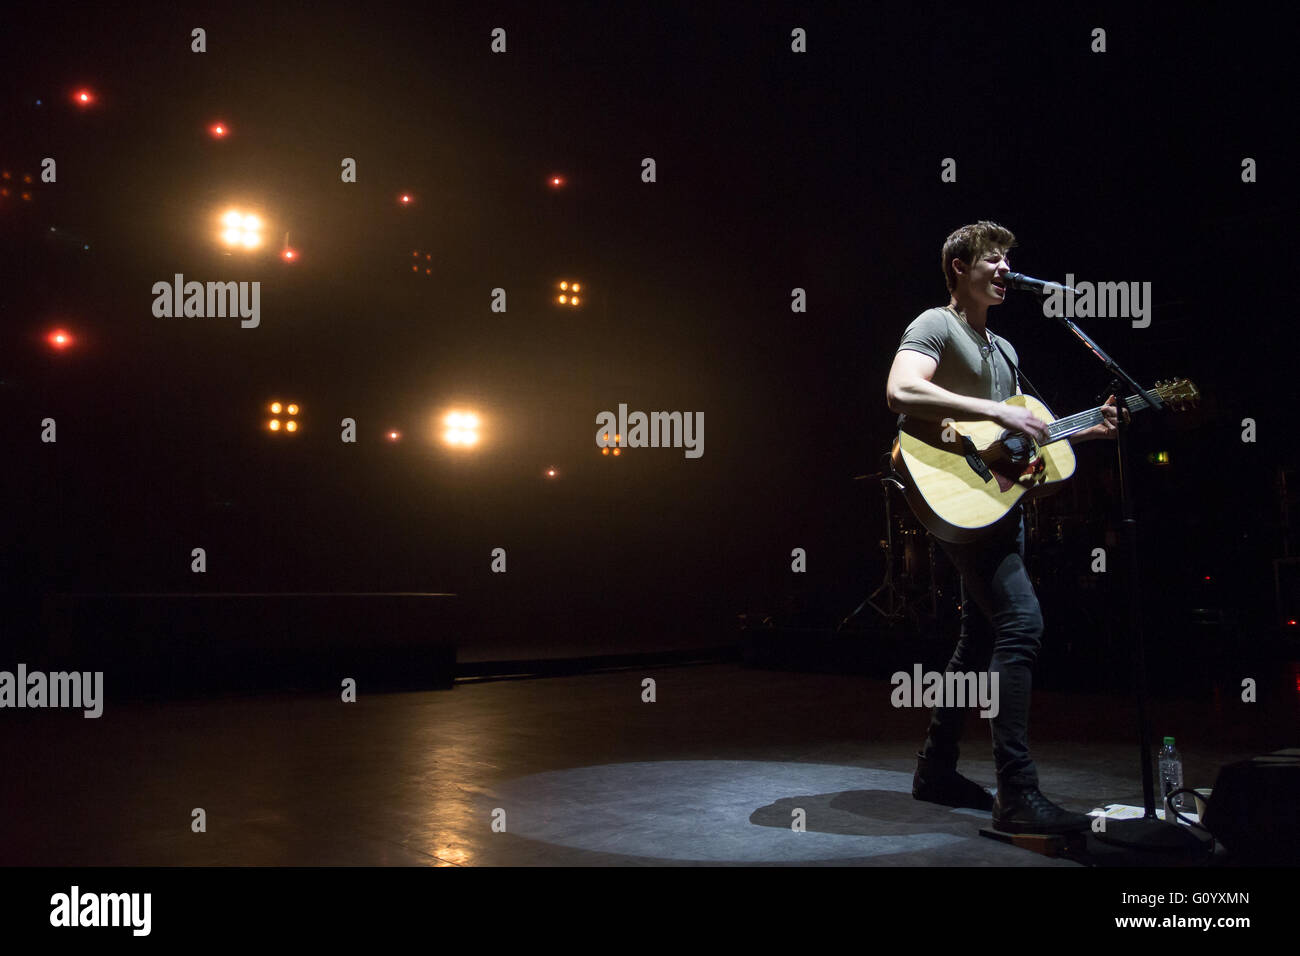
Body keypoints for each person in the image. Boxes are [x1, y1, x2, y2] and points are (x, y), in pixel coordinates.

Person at [884, 221, 1120, 834]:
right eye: (993, 260)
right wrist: (989, 408)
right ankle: (1016, 791)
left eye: (1009, 260)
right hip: (954, 495)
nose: (1005, 270)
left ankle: (935, 769)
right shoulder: (935, 325)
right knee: (1022, 623)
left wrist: (1084, 428)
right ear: (960, 267)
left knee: (978, 641)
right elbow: (901, 389)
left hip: (994, 504)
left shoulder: (1006, 350)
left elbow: (1014, 439)